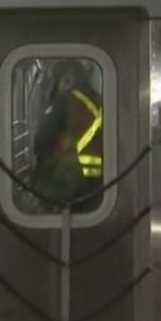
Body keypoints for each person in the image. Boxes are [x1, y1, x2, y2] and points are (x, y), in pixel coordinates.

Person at [31, 59, 104, 210]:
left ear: (68, 79)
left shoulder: (63, 102)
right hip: (100, 183)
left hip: (66, 182)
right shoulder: (100, 101)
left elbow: (42, 142)